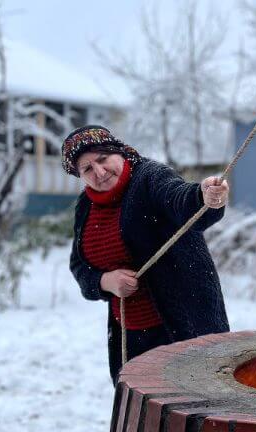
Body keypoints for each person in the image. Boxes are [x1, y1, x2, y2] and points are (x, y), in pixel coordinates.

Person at [64, 125, 230, 385]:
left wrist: (204, 196)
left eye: (102, 159)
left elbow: (181, 200)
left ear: (118, 152)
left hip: (182, 327)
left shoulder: (150, 178)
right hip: (129, 336)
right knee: (139, 405)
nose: (99, 172)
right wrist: (105, 281)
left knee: (193, 400)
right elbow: (79, 265)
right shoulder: (85, 206)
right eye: (87, 169)